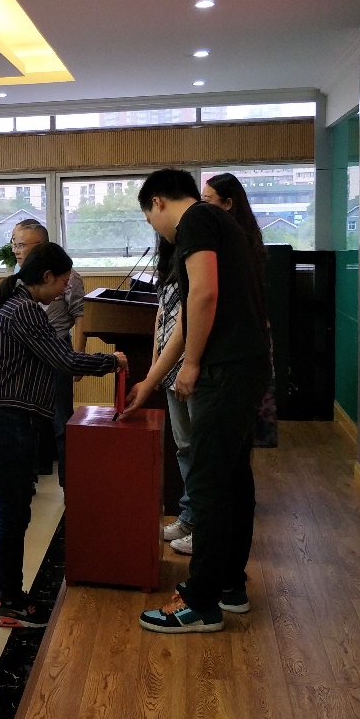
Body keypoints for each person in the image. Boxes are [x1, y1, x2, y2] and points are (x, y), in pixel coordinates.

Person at [124, 169, 269, 634]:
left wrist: (191, 366)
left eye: (149, 217)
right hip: (243, 367)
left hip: (224, 372)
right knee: (232, 480)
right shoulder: (218, 223)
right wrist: (151, 381)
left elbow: (204, 294)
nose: (155, 227)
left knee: (207, 484)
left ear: (158, 202)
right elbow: (190, 315)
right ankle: (229, 586)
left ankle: (201, 602)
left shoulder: (196, 222)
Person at [0, 241, 124, 628]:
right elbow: (63, 359)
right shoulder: (25, 309)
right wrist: (111, 361)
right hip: (8, 422)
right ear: (46, 277)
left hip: (6, 419)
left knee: (8, 510)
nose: (63, 291)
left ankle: (4, 591)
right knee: (13, 513)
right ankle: (10, 602)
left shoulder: (20, 304)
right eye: (62, 282)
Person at [202, 172, 277, 450]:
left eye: (208, 200)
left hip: (242, 338)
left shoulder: (235, 242)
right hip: (249, 334)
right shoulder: (240, 237)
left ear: (228, 203)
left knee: (235, 427)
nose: (202, 207)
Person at [9, 218, 86, 484]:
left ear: (40, 245)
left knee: (60, 421)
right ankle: (29, 479)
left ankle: (68, 484)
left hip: (57, 352)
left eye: (21, 245)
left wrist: (78, 358)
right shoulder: (16, 276)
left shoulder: (68, 276)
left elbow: (80, 316)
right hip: (25, 355)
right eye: (14, 245)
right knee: (26, 420)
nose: (16, 251)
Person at [150, 237, 197, 554]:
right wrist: (155, 364)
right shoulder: (168, 265)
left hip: (191, 369)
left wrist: (188, 364)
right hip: (169, 368)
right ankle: (189, 516)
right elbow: (162, 313)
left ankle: (203, 523)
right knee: (184, 447)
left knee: (201, 449)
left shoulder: (199, 258)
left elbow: (192, 318)